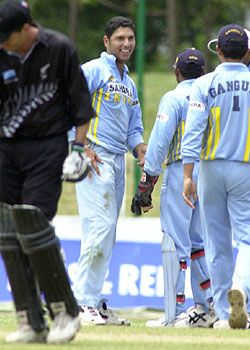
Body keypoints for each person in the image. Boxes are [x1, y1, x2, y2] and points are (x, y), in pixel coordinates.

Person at [0, 0, 93, 344]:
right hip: (7, 149)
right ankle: (30, 320)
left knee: (33, 224)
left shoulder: (58, 48)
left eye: (6, 37)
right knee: (8, 231)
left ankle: (65, 313)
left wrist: (79, 150)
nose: (2, 43)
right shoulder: (2, 51)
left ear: (26, 30)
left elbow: (80, 103)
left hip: (47, 147)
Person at [131, 48, 214, 328]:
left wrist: (146, 184)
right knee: (201, 244)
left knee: (175, 243)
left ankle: (173, 312)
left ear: (176, 72)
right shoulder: (211, 95)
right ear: (203, 73)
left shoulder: (174, 97)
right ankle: (207, 307)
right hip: (211, 172)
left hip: (182, 170)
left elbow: (158, 145)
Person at [72, 16, 147, 325]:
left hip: (117, 162)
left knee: (107, 234)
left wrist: (140, 149)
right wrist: (79, 147)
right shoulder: (94, 70)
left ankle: (95, 301)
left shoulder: (128, 82)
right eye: (120, 39)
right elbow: (67, 105)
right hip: (95, 157)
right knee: (99, 230)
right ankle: (81, 301)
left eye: (130, 38)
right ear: (106, 42)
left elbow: (134, 126)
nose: (126, 43)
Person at [182, 24, 250, 329]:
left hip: (209, 168)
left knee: (216, 242)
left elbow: (193, 131)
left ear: (219, 51)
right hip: (246, 167)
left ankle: (224, 313)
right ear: (247, 53)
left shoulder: (203, 84)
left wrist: (187, 175)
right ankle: (243, 290)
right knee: (247, 238)